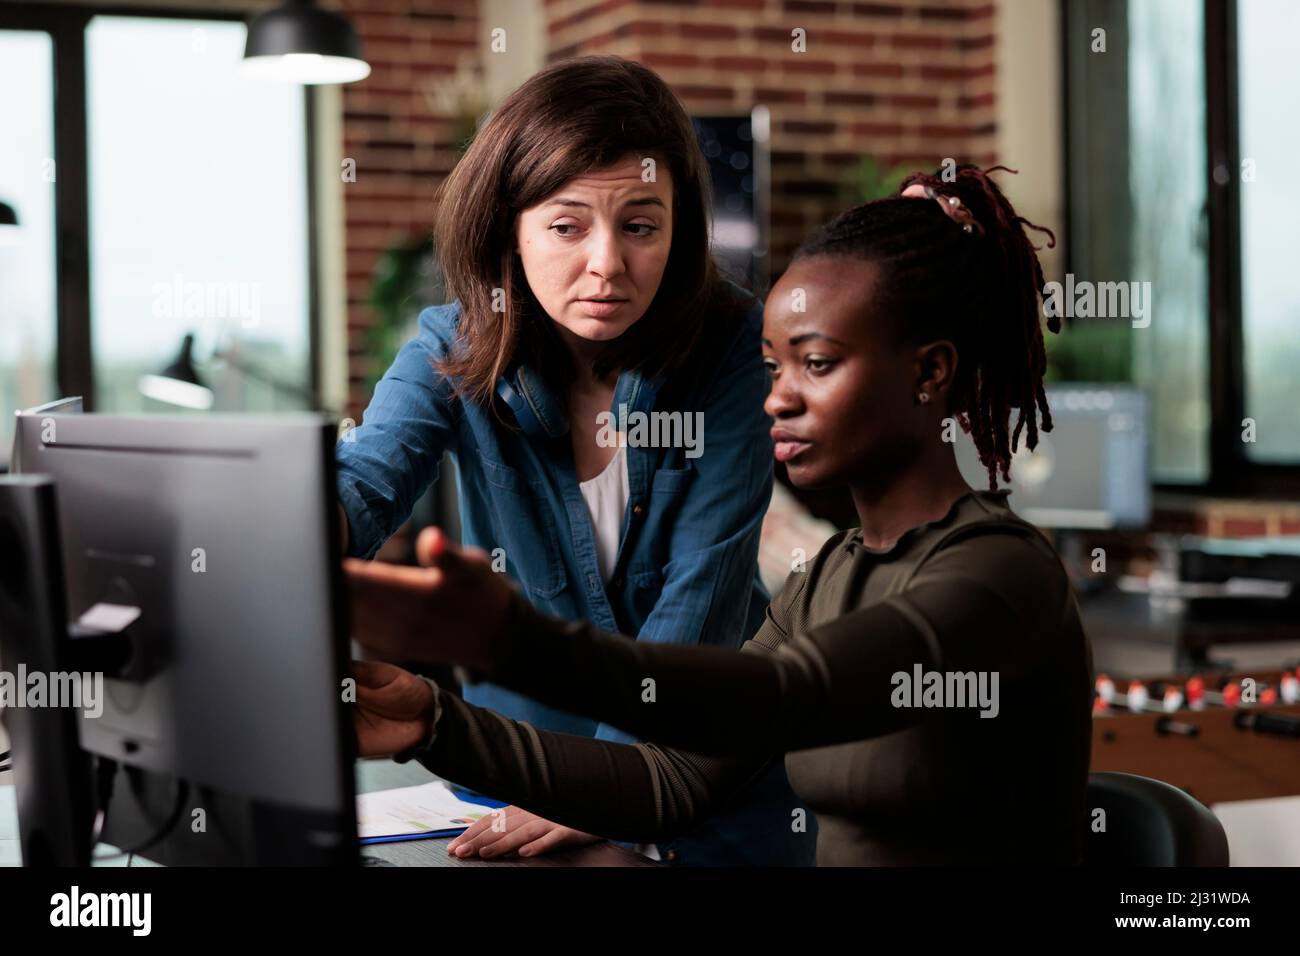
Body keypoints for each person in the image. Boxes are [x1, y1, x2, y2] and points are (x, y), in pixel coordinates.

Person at [346, 165, 1095, 866]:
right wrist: (434, 725)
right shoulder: (828, 576)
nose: (777, 399)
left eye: (818, 364)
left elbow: (790, 694)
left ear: (929, 372)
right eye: (774, 368)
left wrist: (511, 641)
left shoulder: (1000, 570)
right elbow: (668, 779)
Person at [334, 54, 810, 866]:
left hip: (704, 781)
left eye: (640, 225)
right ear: (508, 231)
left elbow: (699, 600)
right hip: (513, 777)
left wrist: (608, 786)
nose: (607, 265)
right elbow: (362, 491)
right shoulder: (451, 345)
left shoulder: (734, 343)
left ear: (678, 229)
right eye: (566, 226)